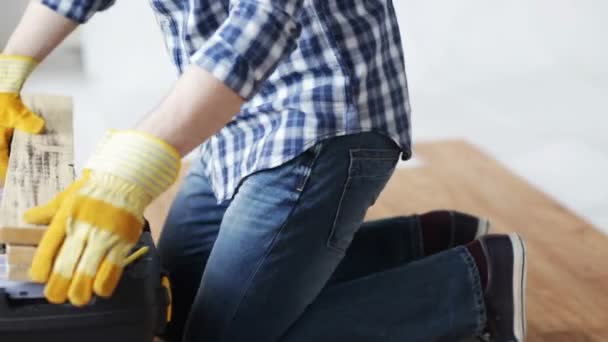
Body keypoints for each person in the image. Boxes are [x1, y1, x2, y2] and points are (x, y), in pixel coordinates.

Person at [0, 1, 527, 341]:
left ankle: (475, 284)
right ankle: (423, 240)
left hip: (319, 117)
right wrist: (10, 69)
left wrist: (132, 168)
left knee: (217, 338)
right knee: (171, 299)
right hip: (234, 124)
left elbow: (264, 21)